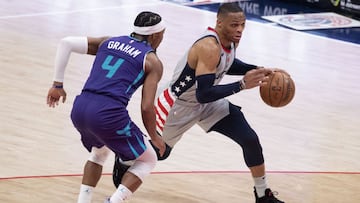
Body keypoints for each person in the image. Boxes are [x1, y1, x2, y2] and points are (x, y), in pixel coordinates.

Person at [113, 3, 288, 203]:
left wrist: (258, 69)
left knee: (249, 139)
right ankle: (125, 158)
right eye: (234, 25)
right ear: (219, 23)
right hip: (177, 105)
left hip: (207, 102)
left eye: (242, 25)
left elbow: (226, 64)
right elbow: (203, 93)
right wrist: (241, 85)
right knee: (159, 154)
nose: (239, 30)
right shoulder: (208, 46)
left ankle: (262, 194)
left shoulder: (230, 41)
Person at [47, 11, 166, 203]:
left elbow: (66, 42)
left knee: (99, 152)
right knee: (148, 159)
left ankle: (83, 201)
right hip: (108, 112)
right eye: (162, 35)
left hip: (80, 107)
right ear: (155, 35)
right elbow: (146, 107)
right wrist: (155, 136)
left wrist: (57, 84)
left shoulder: (108, 42)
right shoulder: (152, 60)